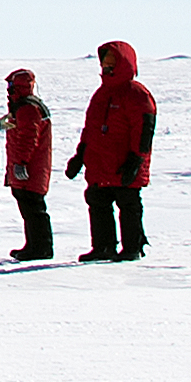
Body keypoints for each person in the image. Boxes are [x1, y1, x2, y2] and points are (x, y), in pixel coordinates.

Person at [73, 38, 156, 262]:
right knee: (97, 201)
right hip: (100, 163)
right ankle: (103, 247)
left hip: (124, 163)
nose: (106, 66)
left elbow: (144, 131)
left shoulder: (137, 94)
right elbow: (90, 127)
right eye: (104, 61)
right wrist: (80, 154)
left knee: (128, 204)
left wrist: (136, 160)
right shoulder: (101, 94)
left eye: (111, 61)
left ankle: (132, 247)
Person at [0, 65, 58, 262]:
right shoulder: (26, 106)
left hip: (31, 169)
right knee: (29, 207)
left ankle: (41, 247)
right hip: (29, 167)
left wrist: (21, 163)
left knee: (33, 207)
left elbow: (28, 137)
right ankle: (34, 245)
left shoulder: (27, 108)